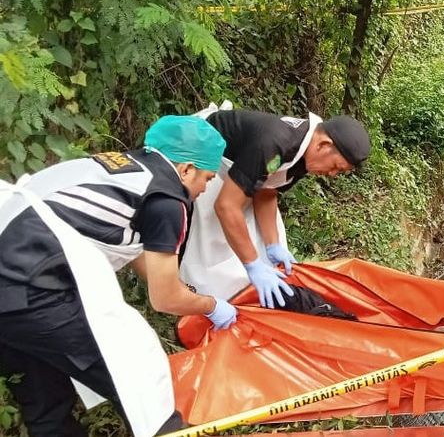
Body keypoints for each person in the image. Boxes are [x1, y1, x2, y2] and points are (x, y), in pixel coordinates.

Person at [0, 116, 236, 437]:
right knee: (137, 374)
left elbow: (140, 250)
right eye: (207, 179)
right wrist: (210, 305)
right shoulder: (168, 200)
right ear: (186, 170)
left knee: (46, 401)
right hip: (34, 287)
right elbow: (164, 299)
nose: (204, 188)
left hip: (12, 278)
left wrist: (184, 289)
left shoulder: (124, 168)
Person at [180, 107, 371, 308]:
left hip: (238, 174)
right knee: (214, 242)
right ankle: (197, 300)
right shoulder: (274, 143)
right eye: (335, 167)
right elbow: (226, 206)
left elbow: (267, 191)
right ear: (324, 145)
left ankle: (248, 294)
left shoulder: (305, 152)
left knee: (263, 245)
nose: (332, 174)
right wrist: (252, 265)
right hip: (204, 157)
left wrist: (273, 245)